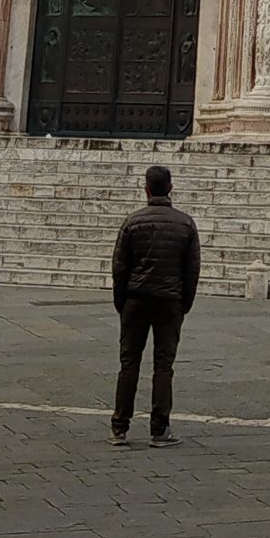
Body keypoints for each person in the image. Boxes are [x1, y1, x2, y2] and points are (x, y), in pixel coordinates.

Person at [109, 162, 200, 448]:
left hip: (135, 300)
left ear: (146, 189)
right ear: (170, 188)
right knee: (163, 366)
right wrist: (184, 303)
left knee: (128, 365)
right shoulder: (185, 224)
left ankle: (119, 428)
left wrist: (121, 301)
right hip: (169, 302)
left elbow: (119, 266)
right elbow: (192, 270)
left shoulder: (132, 222)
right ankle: (159, 430)